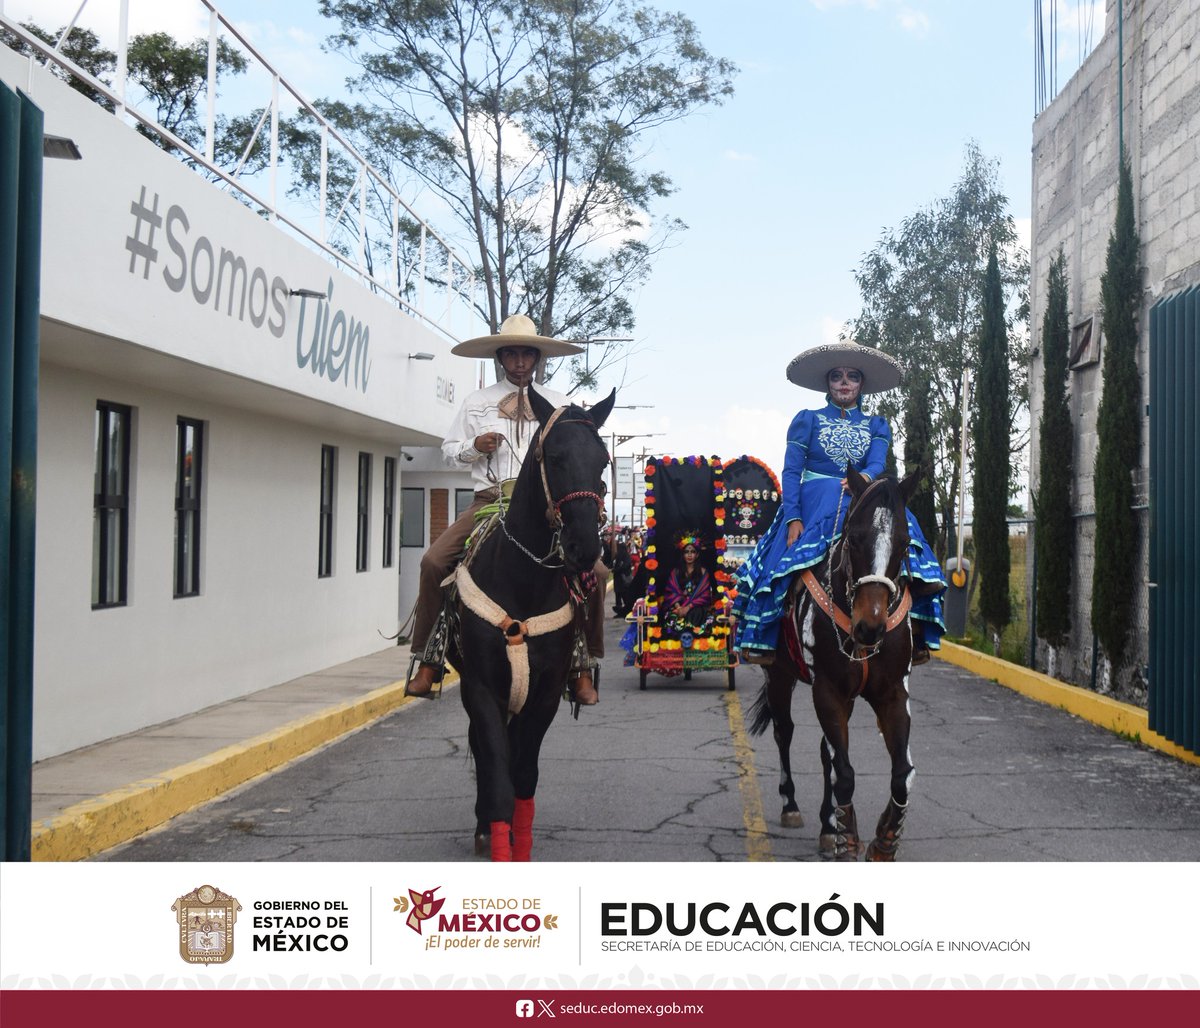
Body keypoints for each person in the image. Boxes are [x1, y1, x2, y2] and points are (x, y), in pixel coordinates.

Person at [406, 314, 608, 703]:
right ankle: (427, 659)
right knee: (433, 562)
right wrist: (473, 447)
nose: (519, 362)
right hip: (489, 500)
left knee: (594, 573)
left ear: (537, 358)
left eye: (526, 354)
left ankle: (583, 663)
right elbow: (448, 452)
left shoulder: (560, 405)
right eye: (511, 354)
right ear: (501, 358)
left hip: (545, 510)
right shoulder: (477, 402)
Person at [731, 341, 945, 665]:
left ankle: (915, 630)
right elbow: (792, 470)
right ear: (828, 384)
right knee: (784, 564)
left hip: (861, 493)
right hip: (814, 500)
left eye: (852, 376)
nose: (844, 382)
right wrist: (793, 518)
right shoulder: (807, 420)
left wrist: (864, 478)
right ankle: (768, 638)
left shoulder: (877, 425)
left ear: (861, 384)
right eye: (837, 376)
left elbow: (876, 462)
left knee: (905, 539)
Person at [662, 532, 715, 634]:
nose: (689, 555)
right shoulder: (676, 572)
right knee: (670, 617)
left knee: (697, 615)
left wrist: (688, 607)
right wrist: (679, 608)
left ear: (697, 554)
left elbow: (705, 595)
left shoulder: (703, 572)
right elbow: (671, 592)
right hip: (678, 607)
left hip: (695, 608)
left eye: (693, 552)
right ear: (683, 554)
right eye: (686, 552)